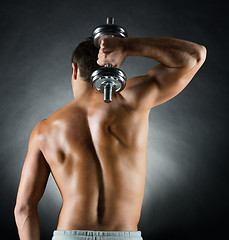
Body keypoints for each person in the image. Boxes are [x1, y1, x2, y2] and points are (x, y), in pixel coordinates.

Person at [14, 36, 206, 240]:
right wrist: (128, 46)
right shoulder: (133, 101)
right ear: (110, 66)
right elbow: (195, 55)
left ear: (75, 69)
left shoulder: (45, 131)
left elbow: (24, 209)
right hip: (124, 235)